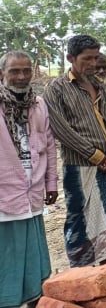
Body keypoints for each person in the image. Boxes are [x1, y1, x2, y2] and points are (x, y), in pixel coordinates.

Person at [43, 35, 106, 266]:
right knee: (79, 219)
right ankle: (81, 274)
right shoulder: (56, 88)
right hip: (80, 166)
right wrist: (98, 155)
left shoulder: (99, 84)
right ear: (71, 58)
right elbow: (62, 130)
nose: (92, 64)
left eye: (95, 58)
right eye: (86, 59)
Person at [0, 51, 57, 307]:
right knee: (7, 257)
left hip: (32, 192)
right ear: (2, 74)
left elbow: (49, 145)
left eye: (26, 71)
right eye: (14, 71)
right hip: (5, 195)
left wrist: (51, 183)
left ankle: (34, 299)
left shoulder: (38, 104)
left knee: (34, 256)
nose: (21, 77)